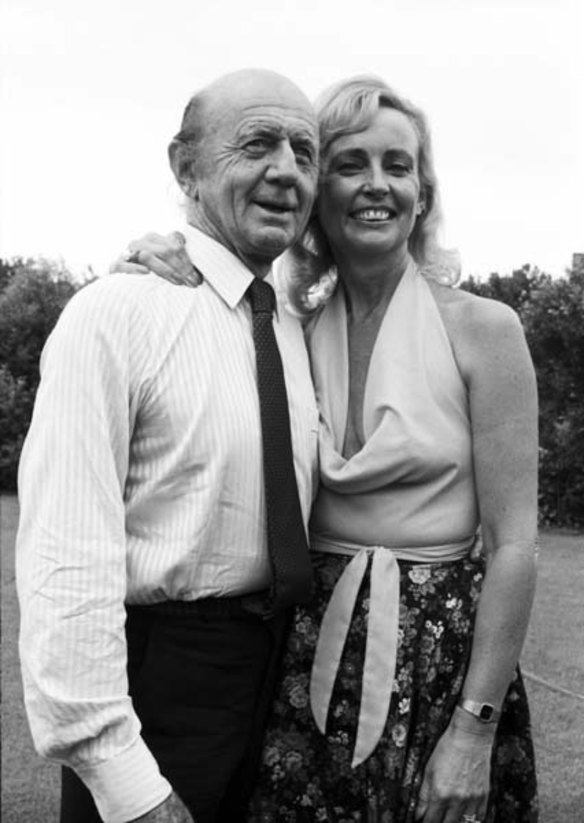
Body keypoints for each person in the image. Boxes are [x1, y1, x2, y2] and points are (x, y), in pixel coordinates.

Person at [119, 75, 539, 823]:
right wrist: (156, 254)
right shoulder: (284, 329)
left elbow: (515, 544)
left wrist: (474, 728)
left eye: (398, 165)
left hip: (439, 670)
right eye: (350, 163)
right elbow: (209, 297)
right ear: (316, 191)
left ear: (423, 191)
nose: (377, 185)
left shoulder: (486, 330)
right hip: (304, 659)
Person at [15, 68, 321, 823]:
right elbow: (67, 561)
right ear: (185, 168)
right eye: (257, 143)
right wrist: (123, 780)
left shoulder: (293, 324)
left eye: (305, 151)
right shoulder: (113, 315)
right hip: (164, 691)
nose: (287, 169)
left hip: (280, 683)